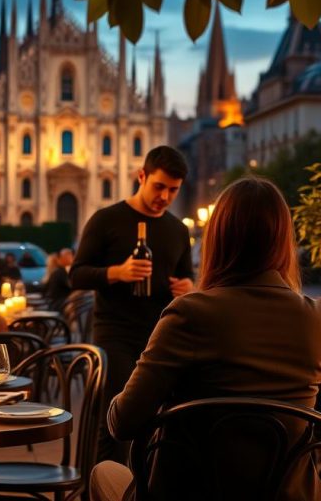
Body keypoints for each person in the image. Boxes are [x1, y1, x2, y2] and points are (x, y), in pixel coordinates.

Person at [88, 177, 321, 501]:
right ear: (283, 241)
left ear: (219, 239)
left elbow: (123, 423)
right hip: (288, 494)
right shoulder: (317, 317)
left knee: (103, 473)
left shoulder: (190, 313)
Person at [70, 145, 194, 465]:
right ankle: (101, 486)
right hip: (115, 334)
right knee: (114, 421)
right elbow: (77, 275)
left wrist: (187, 287)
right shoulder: (106, 219)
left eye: (173, 190)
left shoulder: (178, 230)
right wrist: (117, 273)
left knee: (165, 420)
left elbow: (187, 278)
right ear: (141, 176)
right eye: (159, 186)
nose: (165, 197)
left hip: (161, 336)